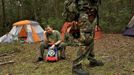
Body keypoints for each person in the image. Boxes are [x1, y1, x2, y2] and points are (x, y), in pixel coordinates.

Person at [63, 0, 103, 75]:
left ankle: (92, 60)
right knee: (86, 39)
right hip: (84, 13)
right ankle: (76, 66)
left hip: (92, 12)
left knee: (91, 37)